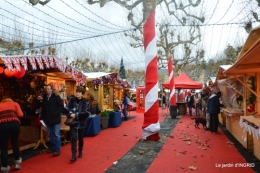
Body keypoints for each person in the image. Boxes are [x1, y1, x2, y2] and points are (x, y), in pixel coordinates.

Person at [66, 86, 90, 162]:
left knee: (80, 138)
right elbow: (67, 108)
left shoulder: (85, 101)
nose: (77, 93)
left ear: (82, 94)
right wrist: (70, 114)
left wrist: (76, 115)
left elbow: (87, 113)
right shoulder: (71, 100)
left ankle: (80, 151)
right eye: (77, 92)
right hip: (72, 122)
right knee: (73, 138)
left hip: (81, 123)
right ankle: (73, 154)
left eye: (79, 92)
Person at [0, 97, 23, 173]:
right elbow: (21, 114)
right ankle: (17, 164)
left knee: (4, 147)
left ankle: (5, 167)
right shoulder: (15, 103)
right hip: (14, 124)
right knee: (15, 143)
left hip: (2, 125)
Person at [40, 84, 63, 156]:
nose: (47, 90)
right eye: (46, 89)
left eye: (49, 89)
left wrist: (55, 113)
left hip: (55, 118)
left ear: (51, 90)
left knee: (56, 134)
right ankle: (52, 147)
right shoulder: (44, 97)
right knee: (50, 134)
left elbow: (61, 106)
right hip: (48, 119)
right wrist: (42, 118)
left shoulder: (56, 97)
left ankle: (57, 149)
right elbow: (43, 108)